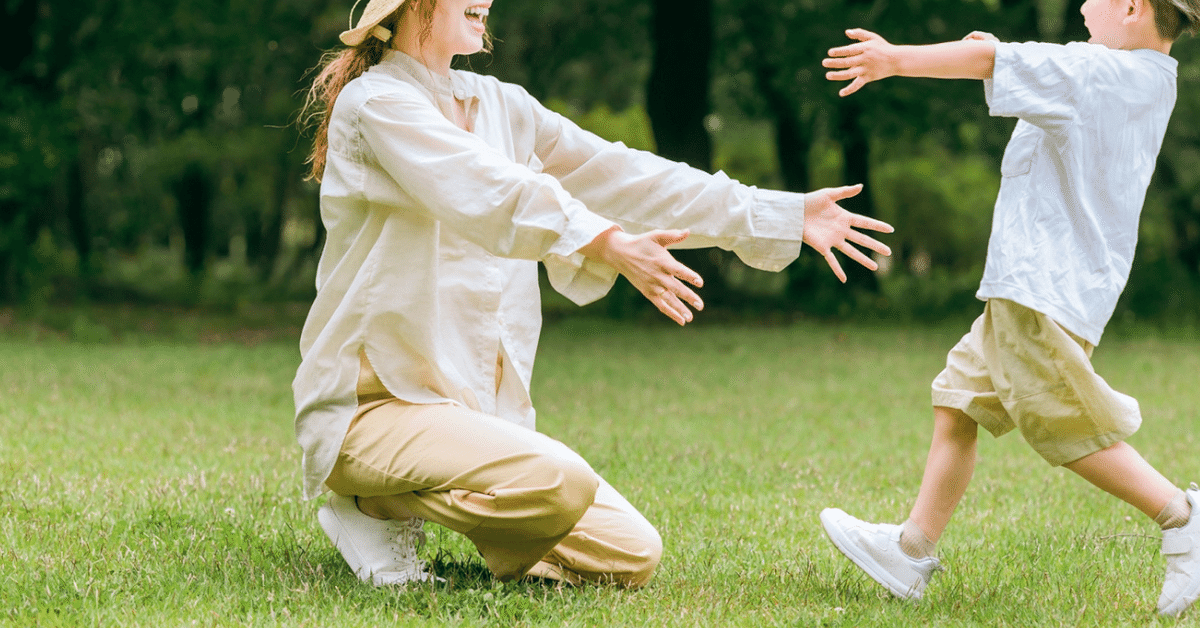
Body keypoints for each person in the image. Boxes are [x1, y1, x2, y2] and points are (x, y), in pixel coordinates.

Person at [294, 0, 894, 589]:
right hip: (373, 408)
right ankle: (372, 509)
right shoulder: (376, 103)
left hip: (464, 418)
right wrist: (606, 242)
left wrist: (780, 213)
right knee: (558, 480)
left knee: (632, 553)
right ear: (406, 8)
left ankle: (439, 502)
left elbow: (624, 175)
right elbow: (488, 190)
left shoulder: (502, 106)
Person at [816, 0, 1200, 616]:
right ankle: (912, 550)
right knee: (958, 402)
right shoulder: (1135, 74)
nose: (1080, 4)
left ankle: (1182, 518)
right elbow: (1020, 66)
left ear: (1132, 8)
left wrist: (895, 59)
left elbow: (995, 60)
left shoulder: (1103, 75)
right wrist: (997, 56)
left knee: (1066, 428)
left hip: (1042, 291)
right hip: (1033, 286)